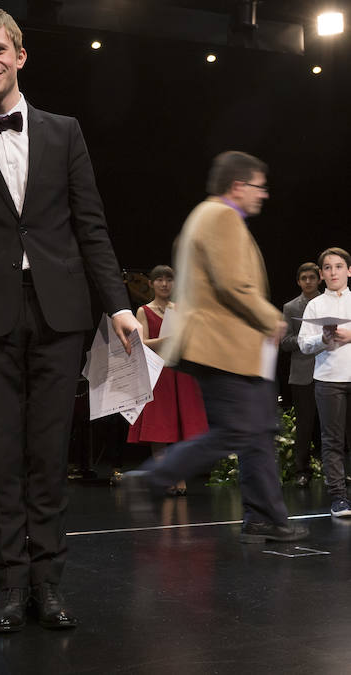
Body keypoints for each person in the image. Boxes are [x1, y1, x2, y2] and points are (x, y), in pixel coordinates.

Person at [0, 6, 140, 633]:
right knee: (2, 456)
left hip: (61, 311)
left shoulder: (64, 131)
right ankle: (10, 583)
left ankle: (48, 583)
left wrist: (120, 306)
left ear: (20, 55)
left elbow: (90, 227)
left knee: (49, 453)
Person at [124, 151, 308, 544]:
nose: (264, 195)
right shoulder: (221, 216)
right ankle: (150, 480)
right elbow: (232, 284)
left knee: (256, 433)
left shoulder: (206, 216)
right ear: (238, 185)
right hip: (222, 348)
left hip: (229, 349)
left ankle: (265, 517)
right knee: (234, 432)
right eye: (259, 186)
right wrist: (270, 318)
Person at [127, 265, 208, 495]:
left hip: (180, 371)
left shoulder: (180, 309)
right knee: (159, 429)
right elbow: (140, 343)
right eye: (159, 280)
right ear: (151, 283)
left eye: (168, 280)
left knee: (181, 428)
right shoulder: (144, 310)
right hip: (158, 373)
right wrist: (166, 339)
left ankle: (179, 476)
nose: (164, 284)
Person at [299, 248, 351, 516]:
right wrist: (323, 339)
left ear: (349, 270)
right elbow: (303, 344)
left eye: (339, 266)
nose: (333, 272)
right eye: (328, 268)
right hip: (329, 380)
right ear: (321, 274)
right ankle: (339, 498)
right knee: (332, 440)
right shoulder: (315, 305)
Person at [281, 262, 322, 487]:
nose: (308, 281)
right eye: (304, 278)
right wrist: (309, 339)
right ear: (298, 281)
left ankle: (334, 469)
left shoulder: (329, 303)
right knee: (305, 425)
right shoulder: (291, 307)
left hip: (330, 370)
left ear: (320, 279)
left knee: (332, 426)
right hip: (303, 372)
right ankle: (302, 471)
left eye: (312, 278)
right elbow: (284, 342)